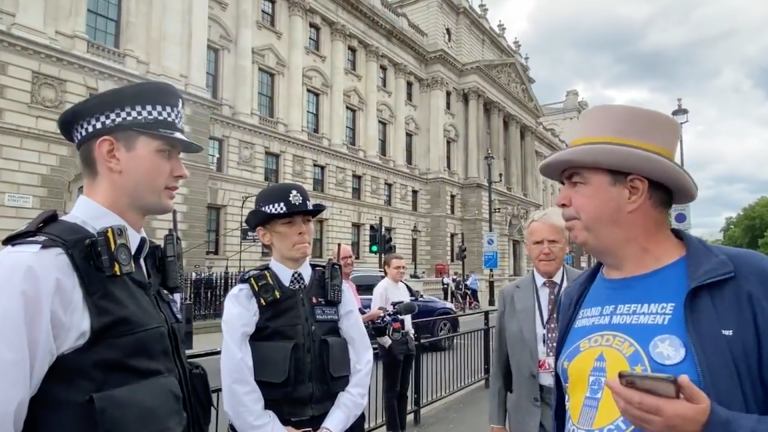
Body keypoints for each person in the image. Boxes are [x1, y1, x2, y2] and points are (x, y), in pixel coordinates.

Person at [538, 104, 768, 432]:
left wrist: (712, 424)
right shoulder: (575, 294)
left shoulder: (747, 281)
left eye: (576, 183)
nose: (561, 200)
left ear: (633, 191)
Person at [0, 81, 211, 432]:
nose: (181, 170)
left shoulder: (143, 261)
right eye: (166, 152)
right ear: (111, 153)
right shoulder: (36, 267)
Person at [220, 183, 373, 432]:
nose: (303, 230)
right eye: (288, 223)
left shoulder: (336, 290)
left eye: (307, 220)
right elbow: (236, 378)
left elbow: (362, 360)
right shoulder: (246, 296)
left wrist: (332, 426)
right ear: (265, 235)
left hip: (336, 424)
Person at [489, 207, 582, 432]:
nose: (546, 250)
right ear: (528, 248)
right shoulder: (510, 294)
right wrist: (497, 420)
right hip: (528, 411)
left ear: (567, 245)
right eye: (538, 243)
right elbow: (500, 364)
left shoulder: (585, 286)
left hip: (576, 407)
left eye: (553, 241)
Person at [334, 244, 383, 432]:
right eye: (344, 258)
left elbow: (356, 316)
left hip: (358, 354)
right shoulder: (336, 287)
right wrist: (371, 316)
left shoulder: (352, 285)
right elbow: (347, 324)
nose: (349, 261)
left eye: (351, 256)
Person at [371, 253, 416, 432]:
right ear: (387, 269)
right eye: (397, 268)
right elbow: (376, 319)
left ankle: (402, 428)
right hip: (391, 342)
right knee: (392, 391)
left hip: (406, 339)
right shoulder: (381, 289)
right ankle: (393, 429)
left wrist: (410, 334)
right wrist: (387, 343)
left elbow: (408, 315)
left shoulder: (404, 287)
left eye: (403, 268)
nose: (401, 271)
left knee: (403, 390)